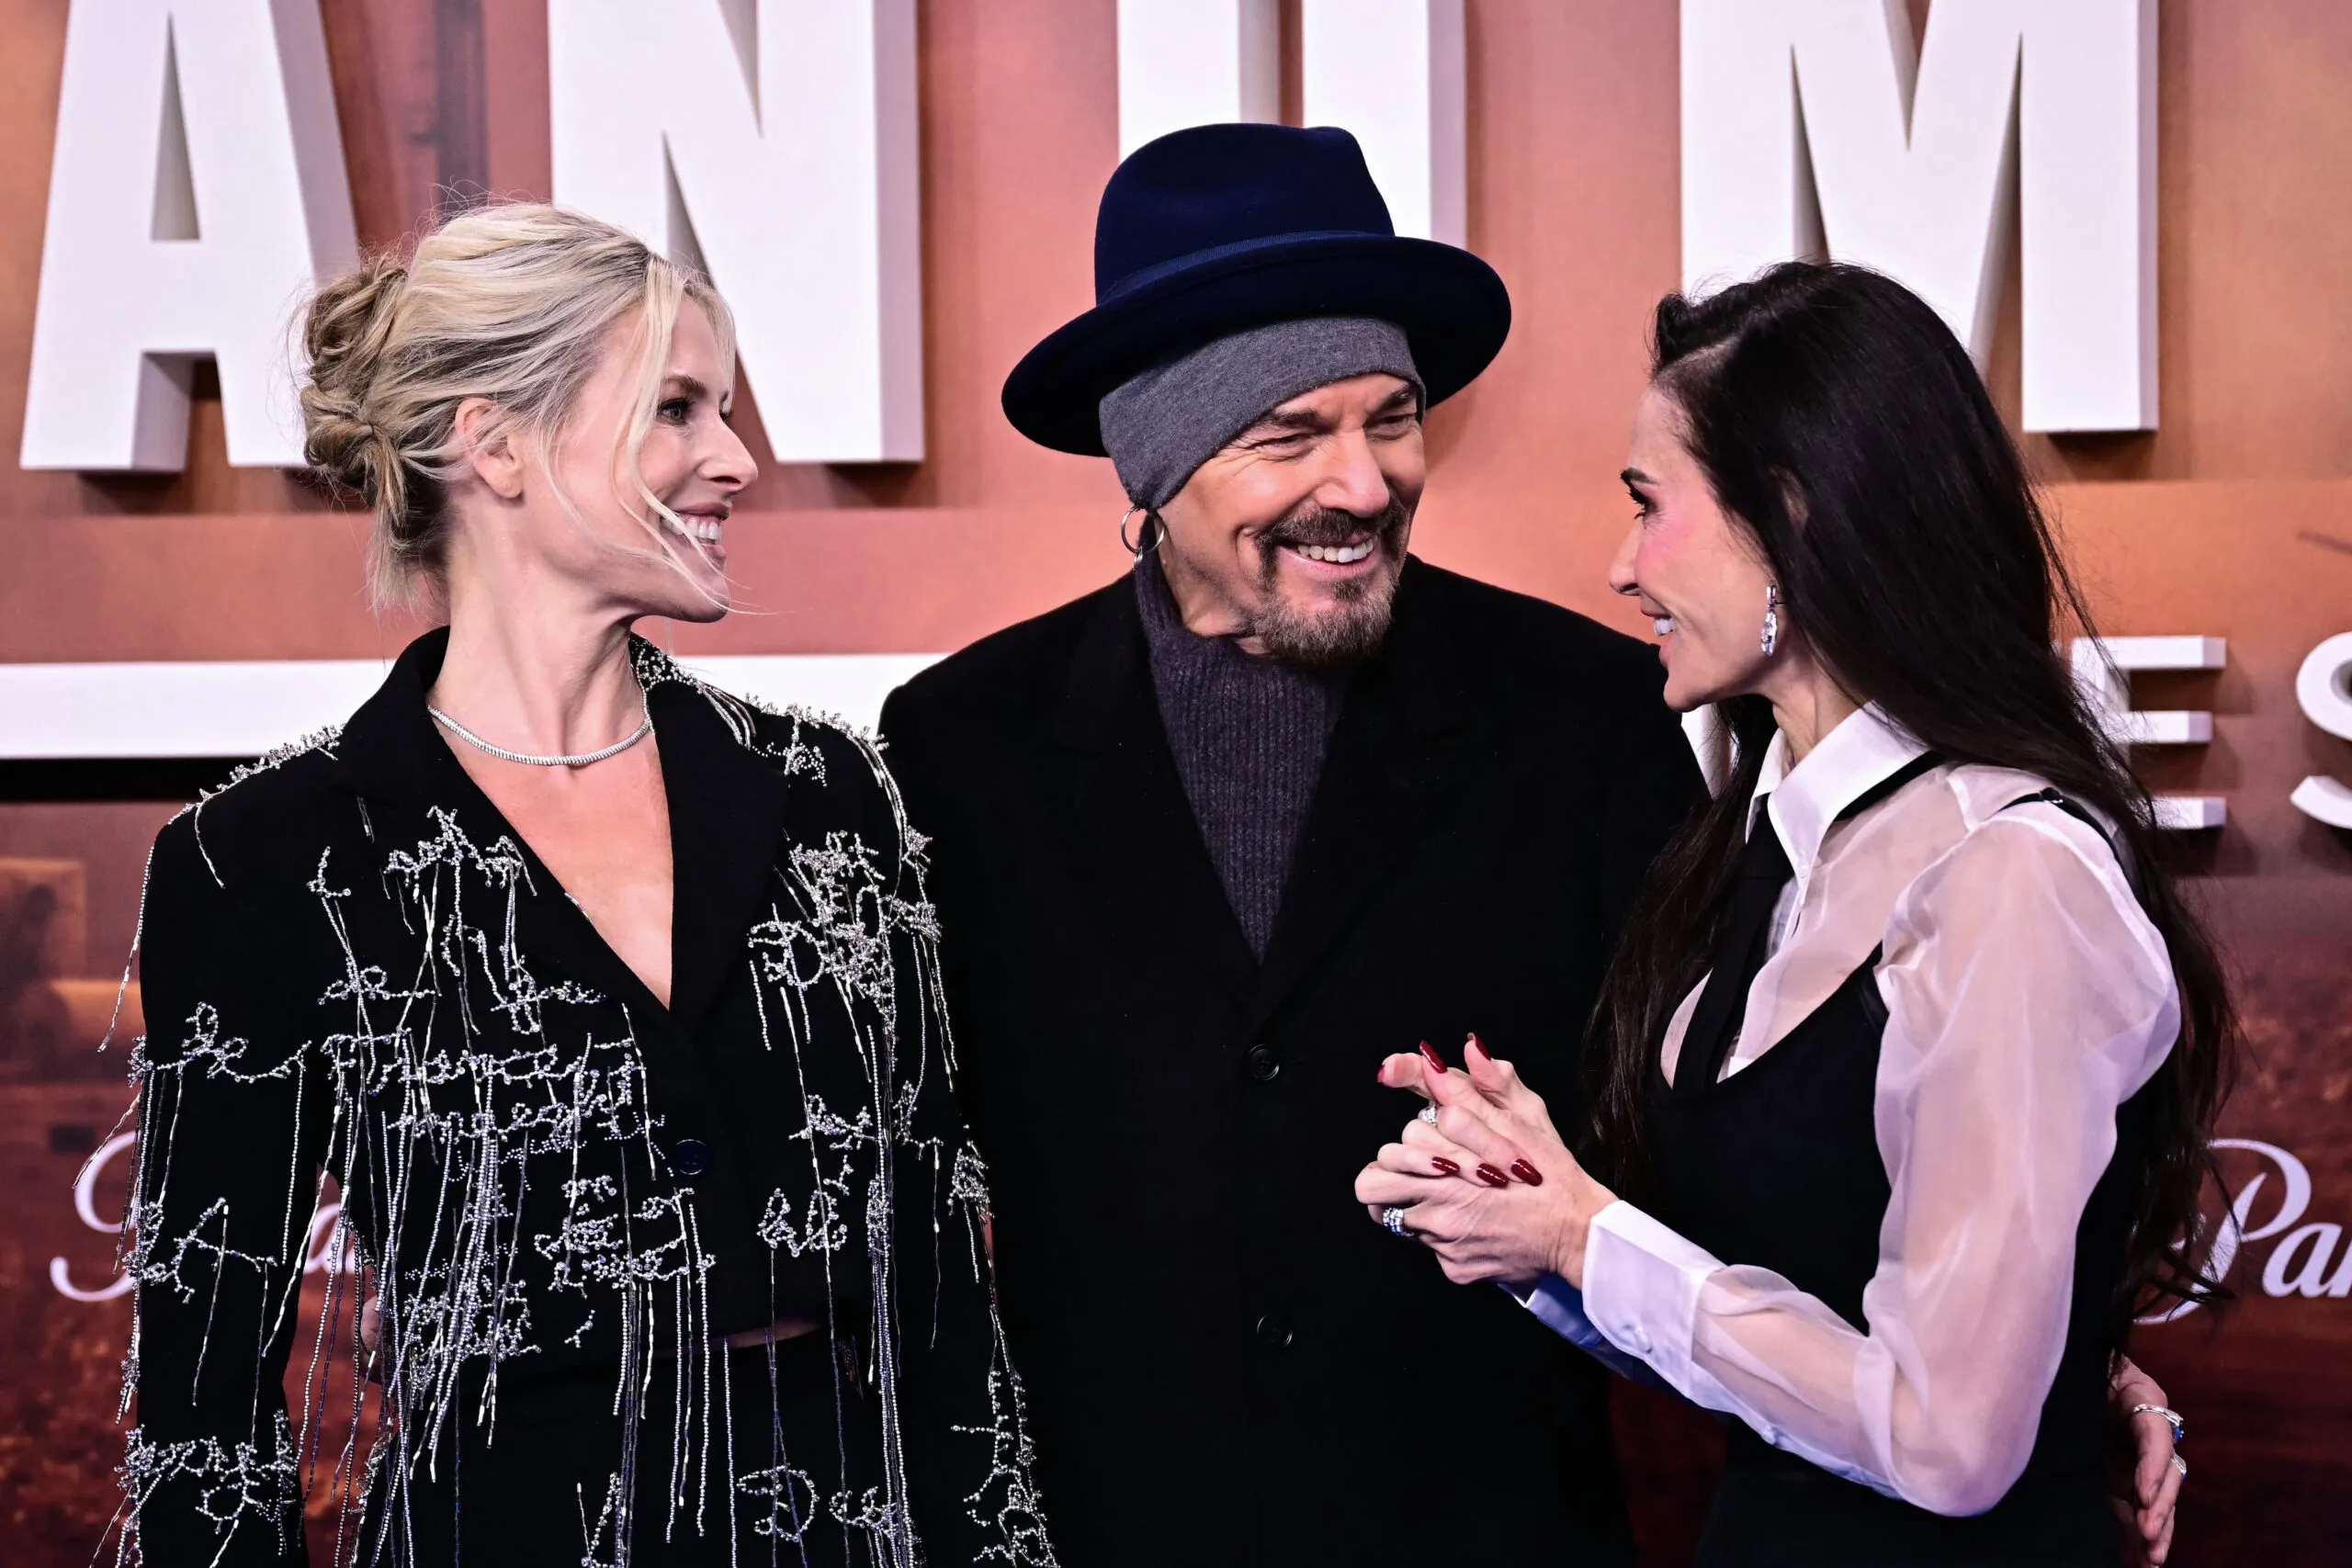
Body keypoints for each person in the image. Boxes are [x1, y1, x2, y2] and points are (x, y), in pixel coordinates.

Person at [116, 204, 1054, 1567]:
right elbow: (205, 1400)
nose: (735, 459)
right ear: (492, 443)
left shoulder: (826, 794)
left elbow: (946, 1297)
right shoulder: (266, 860)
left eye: (722, 408)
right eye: (675, 408)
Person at [876, 122, 1705, 1566]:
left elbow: (1728, 1146)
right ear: (1157, 458)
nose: (1367, 483)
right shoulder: (962, 750)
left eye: (1392, 418)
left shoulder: (1581, 714)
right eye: (1290, 434)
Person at [1354, 262, 2229, 1566]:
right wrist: (1535, 1216)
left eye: (1649, 505)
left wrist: (1590, 1235)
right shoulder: (1749, 850)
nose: (1620, 566)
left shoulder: (2008, 876)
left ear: (1791, 517)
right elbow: (1769, 1344)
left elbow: (1948, 1438)